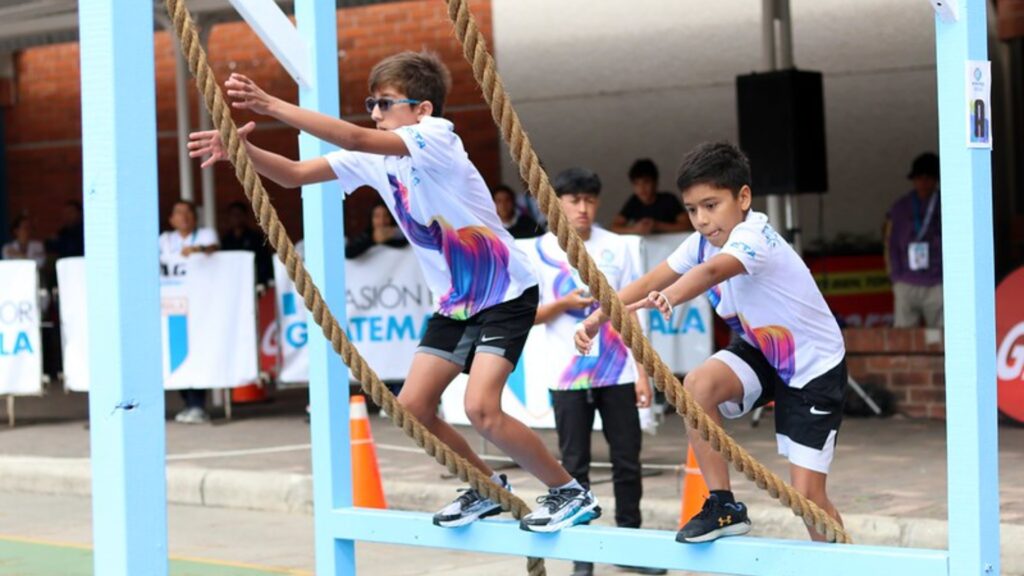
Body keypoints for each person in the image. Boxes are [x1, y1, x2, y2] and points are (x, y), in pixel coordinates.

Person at [188, 51, 599, 532]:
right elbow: (294, 175)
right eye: (371, 104)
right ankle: (487, 487)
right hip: (456, 304)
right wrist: (240, 151)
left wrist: (270, 105)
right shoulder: (373, 158)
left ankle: (569, 491)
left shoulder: (437, 138)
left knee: (480, 408)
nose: (376, 114)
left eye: (385, 103)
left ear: (422, 109)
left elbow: (356, 135)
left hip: (505, 290)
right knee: (415, 408)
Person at [577, 142, 846, 544]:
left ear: (743, 198)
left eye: (711, 205)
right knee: (697, 386)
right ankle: (723, 506)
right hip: (762, 351)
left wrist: (671, 297)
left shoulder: (755, 236)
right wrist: (600, 316)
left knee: (806, 496)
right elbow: (652, 279)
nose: (702, 219)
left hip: (812, 365)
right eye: (692, 209)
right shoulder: (702, 240)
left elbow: (711, 273)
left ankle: (843, 566)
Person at [530, 168, 664, 576]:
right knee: (574, 468)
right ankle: (581, 558)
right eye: (574, 200)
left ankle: (631, 549)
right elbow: (527, 315)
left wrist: (643, 372)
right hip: (566, 376)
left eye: (589, 200)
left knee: (628, 461)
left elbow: (631, 313)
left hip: (618, 371)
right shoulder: (538, 249)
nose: (583, 208)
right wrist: (561, 306)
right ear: (558, 203)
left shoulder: (619, 246)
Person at [159, 199, 220, 424]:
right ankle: (188, 404)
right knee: (176, 353)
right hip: (173, 306)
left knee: (198, 352)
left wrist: (198, 250)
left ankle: (197, 405)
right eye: (178, 213)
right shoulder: (164, 240)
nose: (183, 217)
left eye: (187, 213)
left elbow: (214, 248)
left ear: (194, 218)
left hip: (200, 306)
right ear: (171, 219)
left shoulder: (205, 234)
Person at [884, 152, 943, 328]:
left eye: (928, 178)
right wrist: (896, 277)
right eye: (919, 178)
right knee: (904, 339)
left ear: (936, 179)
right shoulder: (900, 207)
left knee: (941, 337)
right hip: (906, 281)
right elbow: (890, 245)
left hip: (937, 282)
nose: (923, 182)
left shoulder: (945, 203)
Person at [611, 159, 690, 235]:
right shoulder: (634, 201)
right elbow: (614, 227)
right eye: (636, 184)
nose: (641, 188)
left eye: (646, 182)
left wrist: (657, 225)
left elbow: (688, 225)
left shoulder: (668, 200)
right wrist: (634, 230)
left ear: (655, 182)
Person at [220, 201, 273, 285]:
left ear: (245, 216)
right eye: (233, 215)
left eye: (239, 214)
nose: (236, 218)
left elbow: (264, 260)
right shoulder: (226, 240)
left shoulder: (256, 237)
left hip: (254, 280)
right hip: (233, 281)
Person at [345, 201, 409, 259]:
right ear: (371, 219)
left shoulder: (398, 232)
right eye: (377, 216)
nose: (382, 221)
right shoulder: (366, 234)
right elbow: (348, 253)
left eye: (386, 216)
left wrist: (391, 235)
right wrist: (373, 239)